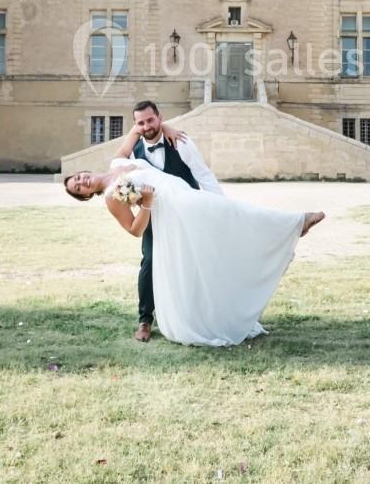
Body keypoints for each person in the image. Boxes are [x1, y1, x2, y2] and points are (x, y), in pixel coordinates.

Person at [63, 161, 325, 347]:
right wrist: (147, 204)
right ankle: (293, 224)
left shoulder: (117, 162)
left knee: (222, 231)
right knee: (229, 210)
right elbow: (134, 229)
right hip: (177, 207)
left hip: (183, 192)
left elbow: (138, 126)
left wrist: (166, 127)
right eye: (79, 189)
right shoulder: (111, 197)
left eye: (78, 178)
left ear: (82, 171)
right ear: (86, 195)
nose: (82, 183)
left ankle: (278, 236)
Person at [113, 100, 221, 342]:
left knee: (194, 262)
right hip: (155, 217)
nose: (147, 125)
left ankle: (200, 314)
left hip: (188, 214)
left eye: (151, 120)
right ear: (135, 126)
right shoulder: (133, 154)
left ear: (160, 117)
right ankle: (145, 320)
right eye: (141, 122)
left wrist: (220, 207)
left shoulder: (180, 141)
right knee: (149, 261)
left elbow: (204, 175)